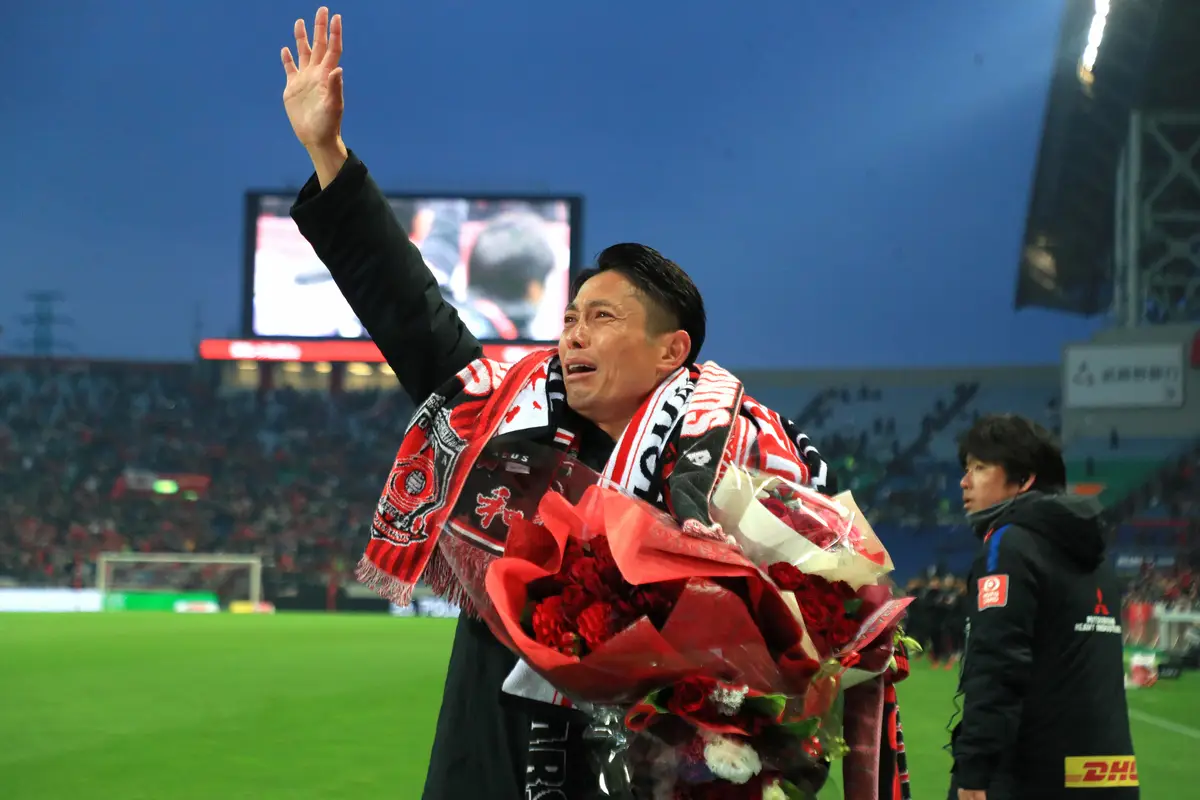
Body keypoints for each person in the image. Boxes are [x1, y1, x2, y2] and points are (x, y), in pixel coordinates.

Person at [277, 9, 871, 799]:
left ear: (672, 351)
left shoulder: (737, 460)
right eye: (569, 318)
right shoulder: (503, 418)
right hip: (489, 762)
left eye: (602, 317)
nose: (573, 336)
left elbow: (811, 622)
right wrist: (327, 151)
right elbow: (405, 303)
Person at [949, 414, 1137, 800]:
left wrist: (975, 771)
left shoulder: (1009, 544)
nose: (964, 481)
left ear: (1023, 479)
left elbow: (997, 665)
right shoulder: (1094, 553)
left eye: (980, 468)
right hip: (1109, 774)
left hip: (1031, 776)